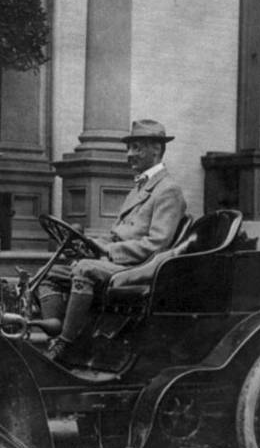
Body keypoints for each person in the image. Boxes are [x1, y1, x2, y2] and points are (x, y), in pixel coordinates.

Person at [42, 119, 187, 361]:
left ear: (157, 149)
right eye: (129, 148)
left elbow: (156, 244)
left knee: (85, 270)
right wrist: (89, 243)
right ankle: (54, 339)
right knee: (50, 275)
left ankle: (67, 345)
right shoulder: (139, 188)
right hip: (121, 262)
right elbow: (117, 233)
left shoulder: (168, 190)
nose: (130, 154)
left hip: (140, 267)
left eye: (137, 148)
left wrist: (108, 252)